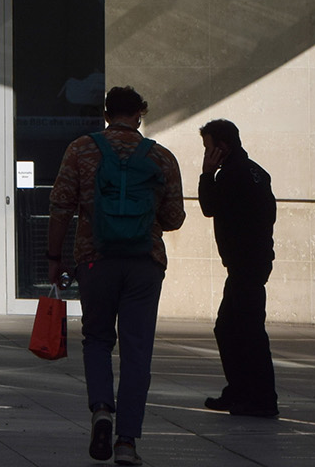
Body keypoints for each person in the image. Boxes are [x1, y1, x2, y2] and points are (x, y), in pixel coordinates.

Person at [46, 86, 186, 467]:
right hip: (145, 263)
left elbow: (60, 206)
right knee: (137, 350)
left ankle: (102, 410)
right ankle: (126, 442)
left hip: (95, 260)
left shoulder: (81, 150)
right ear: (139, 113)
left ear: (106, 113)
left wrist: (54, 258)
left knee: (96, 340)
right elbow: (175, 218)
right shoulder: (160, 157)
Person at [197, 119, 277, 418]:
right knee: (232, 327)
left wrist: (207, 174)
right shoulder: (256, 172)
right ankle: (242, 390)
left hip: (246, 263)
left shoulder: (231, 175)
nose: (206, 155)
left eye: (208, 149)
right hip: (253, 261)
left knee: (246, 330)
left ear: (222, 148)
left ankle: (260, 397)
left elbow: (209, 206)